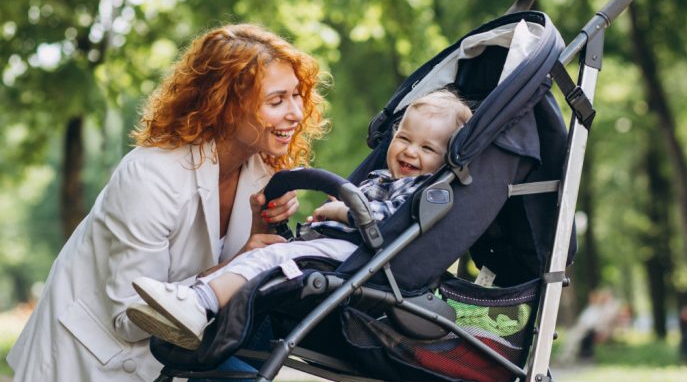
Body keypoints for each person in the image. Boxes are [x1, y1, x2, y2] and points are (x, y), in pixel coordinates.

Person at [0, 24, 327, 382]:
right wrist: (247, 259)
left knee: (264, 377)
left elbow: (227, 272)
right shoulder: (150, 176)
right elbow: (132, 316)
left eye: (297, 96)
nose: (295, 112)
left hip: (177, 336)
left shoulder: (261, 168)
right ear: (225, 104)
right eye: (277, 101)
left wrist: (255, 231)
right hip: (109, 348)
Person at [127, 89, 472, 350]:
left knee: (270, 257)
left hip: (360, 258)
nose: (410, 151)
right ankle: (189, 300)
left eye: (427, 149)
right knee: (266, 255)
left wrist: (340, 210)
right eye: (404, 139)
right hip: (337, 248)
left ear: (445, 161)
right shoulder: (383, 177)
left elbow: (381, 219)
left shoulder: (422, 189)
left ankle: (199, 303)